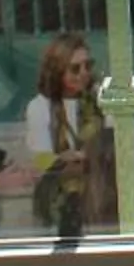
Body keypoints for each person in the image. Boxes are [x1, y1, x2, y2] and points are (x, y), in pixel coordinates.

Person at [23, 31, 117, 236]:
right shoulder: (40, 106)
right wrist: (61, 160)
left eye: (88, 66)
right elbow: (40, 160)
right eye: (75, 68)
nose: (83, 73)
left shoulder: (102, 101)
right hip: (59, 199)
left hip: (100, 197)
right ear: (57, 71)